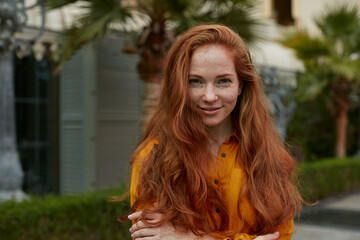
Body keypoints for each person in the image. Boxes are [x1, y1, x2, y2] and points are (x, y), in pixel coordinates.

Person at [123, 24, 303, 240]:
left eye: (223, 81)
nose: (209, 96)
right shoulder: (153, 157)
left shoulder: (270, 159)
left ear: (240, 85)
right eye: (195, 82)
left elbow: (280, 236)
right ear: (179, 86)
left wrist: (191, 238)